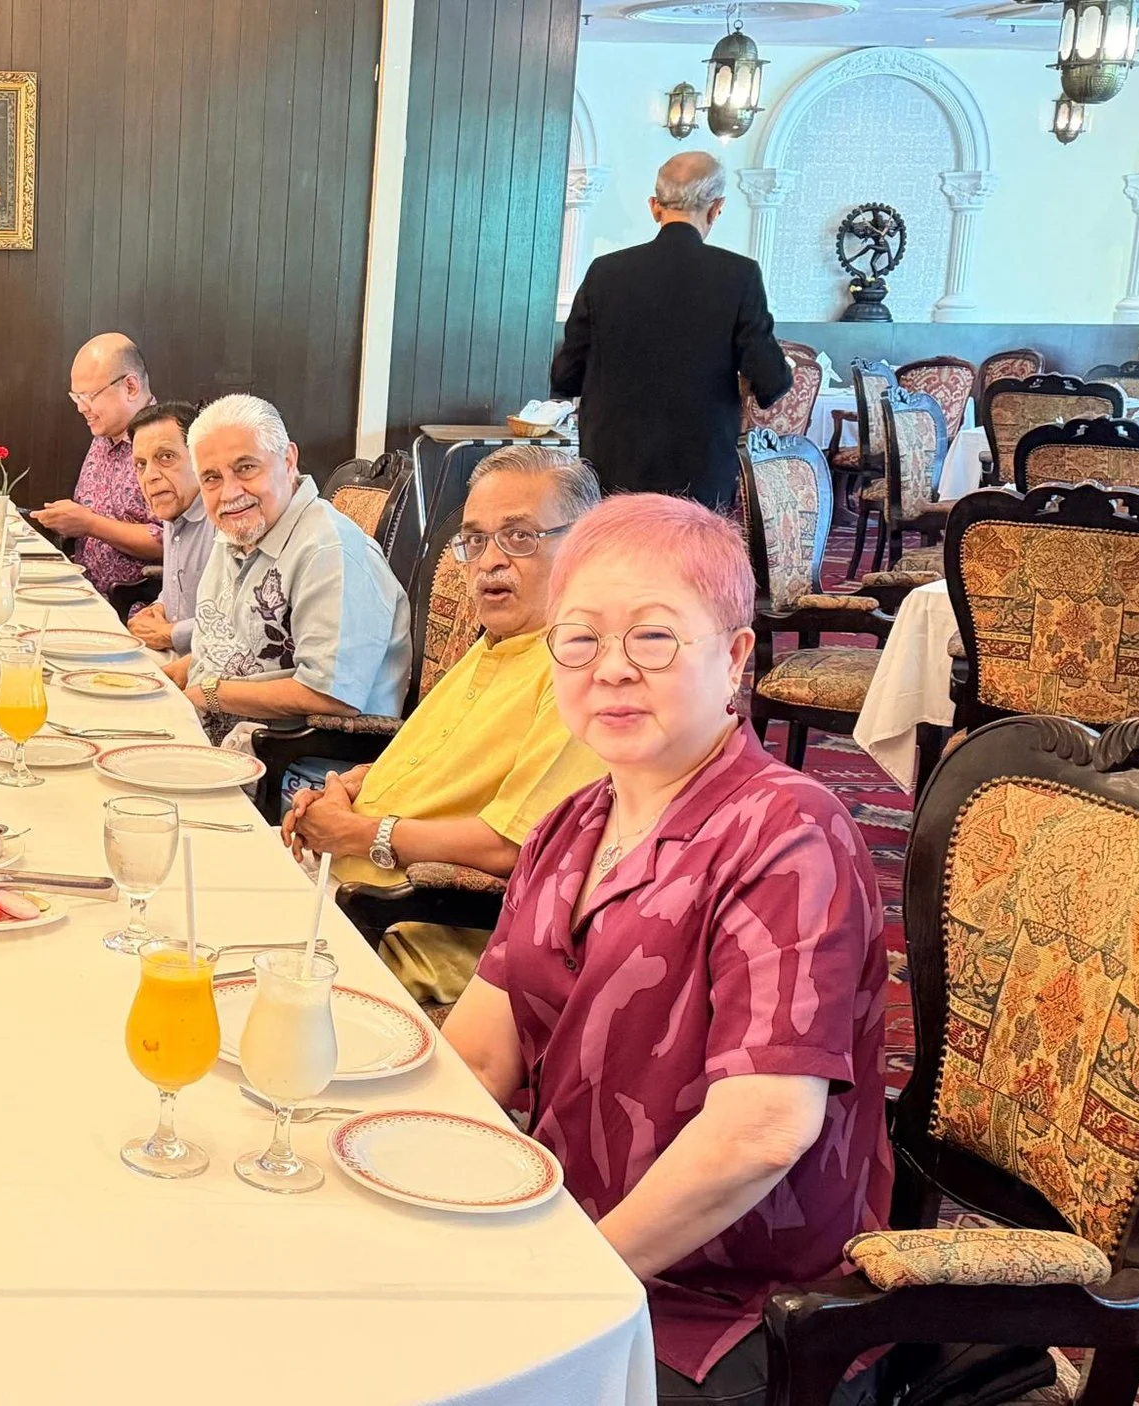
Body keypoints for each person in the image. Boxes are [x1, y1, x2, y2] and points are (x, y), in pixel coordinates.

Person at [440, 494, 890, 1406]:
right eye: (580, 640)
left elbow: (762, 1130)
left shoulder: (788, 834)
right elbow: (481, 1055)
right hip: (561, 1223)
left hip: (724, 1298)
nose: (610, 671)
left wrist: (569, 1285)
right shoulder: (570, 826)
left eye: (652, 639)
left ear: (732, 656)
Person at [280, 446, 607, 1005]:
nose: (489, 562)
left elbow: (516, 843)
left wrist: (363, 833)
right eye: (475, 540)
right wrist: (359, 783)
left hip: (397, 929)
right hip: (336, 878)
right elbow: (445, 762)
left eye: (520, 537)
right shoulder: (497, 642)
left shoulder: (579, 669)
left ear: (585, 546)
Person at [164, 394, 411, 743]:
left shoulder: (328, 551)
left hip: (298, 767)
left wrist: (209, 693)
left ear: (288, 460)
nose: (230, 493)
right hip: (215, 736)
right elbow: (236, 648)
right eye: (211, 478)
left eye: (246, 467)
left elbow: (331, 694)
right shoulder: (239, 531)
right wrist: (170, 677)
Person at [550, 152, 790, 510]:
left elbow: (566, 376)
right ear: (716, 208)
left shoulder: (605, 273)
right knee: (690, 565)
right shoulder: (739, 276)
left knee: (610, 561)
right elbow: (771, 379)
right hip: (700, 470)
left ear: (654, 207)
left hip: (612, 466)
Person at [32, 333, 165, 599]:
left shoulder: (165, 443)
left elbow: (167, 541)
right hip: (83, 589)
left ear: (130, 387)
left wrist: (90, 524)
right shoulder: (104, 435)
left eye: (89, 396)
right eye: (76, 397)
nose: (81, 408)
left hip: (134, 606)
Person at [121, 400, 213, 654]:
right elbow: (180, 593)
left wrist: (171, 634)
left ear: (200, 460)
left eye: (166, 457)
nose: (150, 475)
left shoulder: (224, 519)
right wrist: (159, 608)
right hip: (169, 657)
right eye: (141, 464)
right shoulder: (173, 504)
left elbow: (240, 622)